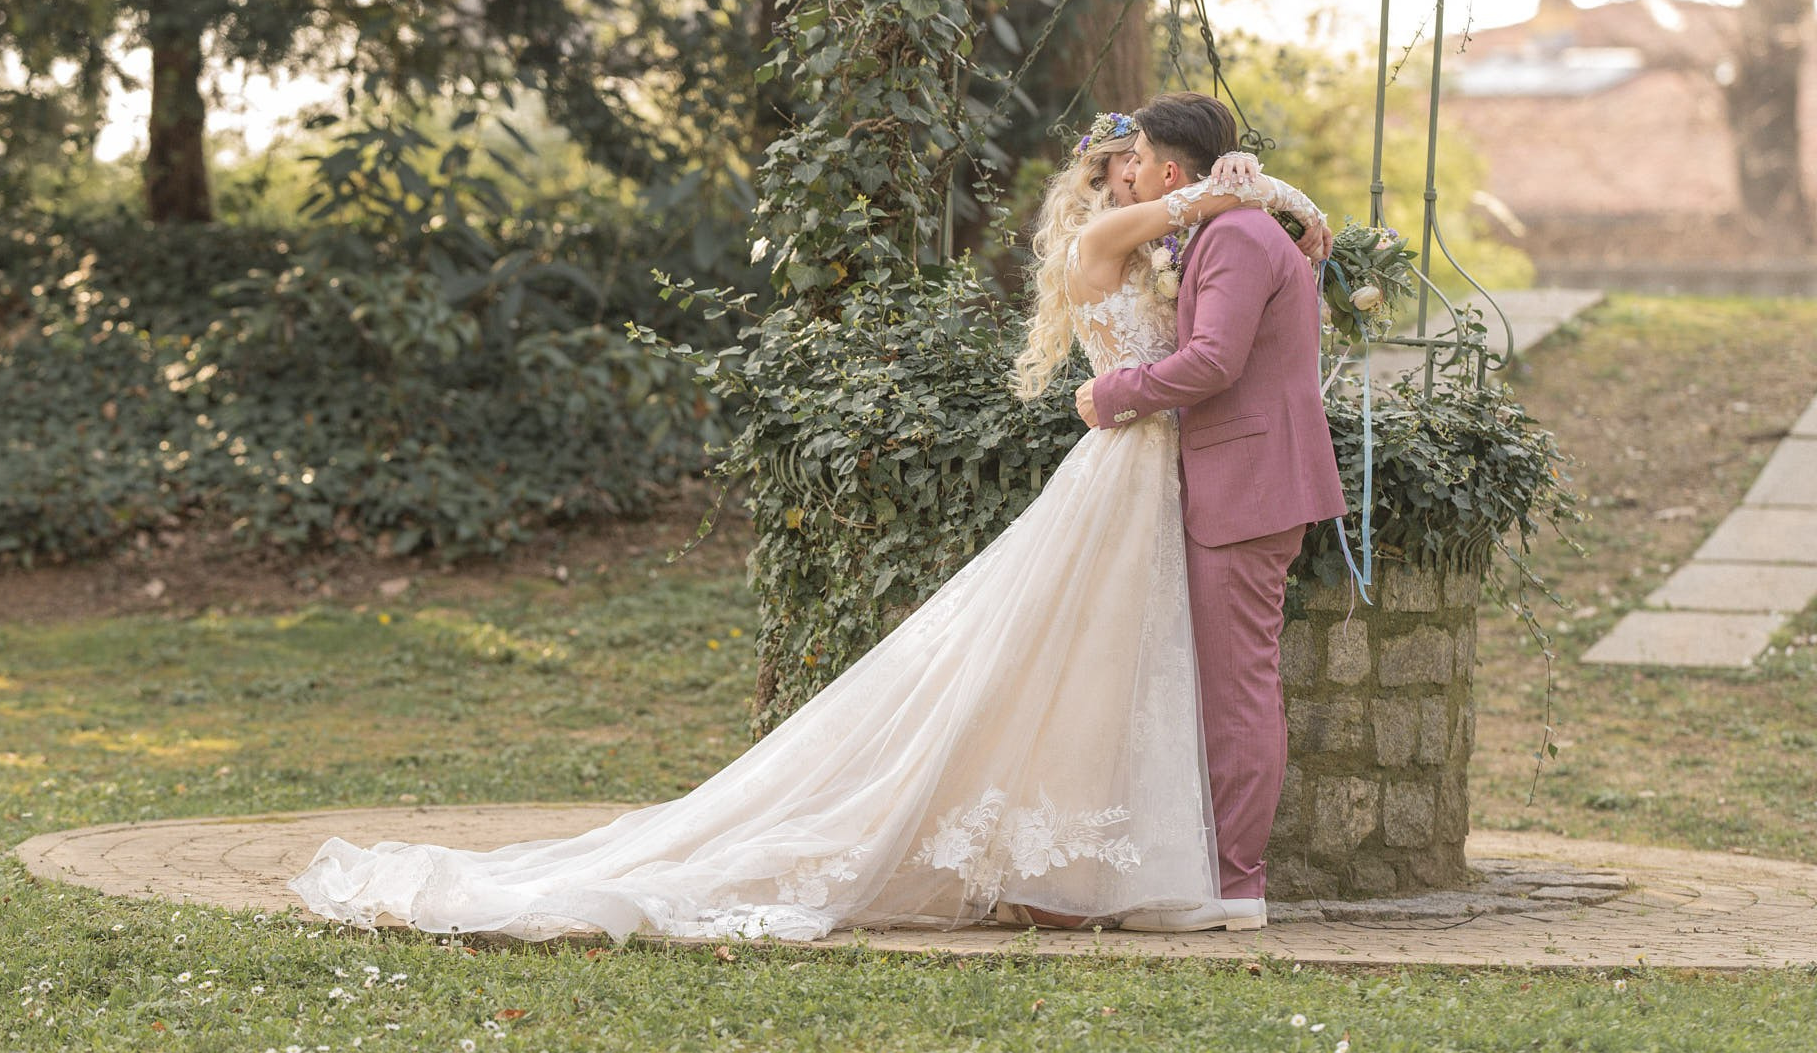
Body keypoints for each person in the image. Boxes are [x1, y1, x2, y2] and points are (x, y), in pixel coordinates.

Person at [287, 107, 1330, 941]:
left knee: (1125, 671)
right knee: (1086, 662)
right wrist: (1258, 187)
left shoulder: (1209, 236)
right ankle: (1127, 868)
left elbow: (1229, 316)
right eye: (1119, 165)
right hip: (1133, 461)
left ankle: (1132, 865)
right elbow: (1201, 259)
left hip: (1171, 475)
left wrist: (1276, 205)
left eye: (1138, 161)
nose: (1126, 178)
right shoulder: (1111, 233)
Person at [1076, 93, 1348, 933]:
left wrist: (1110, 393)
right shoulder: (1240, 226)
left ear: (1167, 171)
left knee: (1239, 691)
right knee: (1235, 685)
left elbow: (1213, 361)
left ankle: (1237, 886)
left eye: (1142, 158)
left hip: (1248, 487)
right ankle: (1220, 872)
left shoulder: (1231, 235)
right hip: (1252, 480)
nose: (1131, 174)